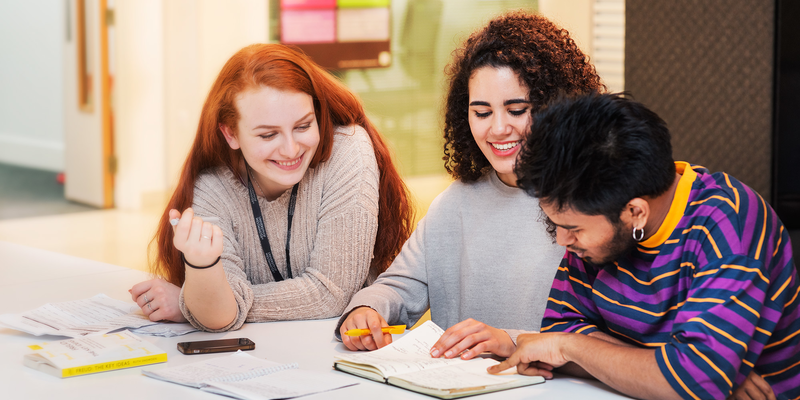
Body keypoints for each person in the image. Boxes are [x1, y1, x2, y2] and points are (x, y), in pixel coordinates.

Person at [492, 92, 800, 400]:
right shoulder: (596, 222)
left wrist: (571, 349)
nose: (562, 240)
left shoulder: (729, 224)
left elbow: (692, 383)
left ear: (636, 212)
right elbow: (561, 329)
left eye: (573, 228)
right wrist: (678, 372)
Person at [337, 11, 604, 361]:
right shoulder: (455, 202)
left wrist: (511, 341)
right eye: (482, 112)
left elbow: (609, 338)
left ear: (557, 107)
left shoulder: (592, 207)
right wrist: (366, 311)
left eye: (517, 110)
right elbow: (399, 287)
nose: (497, 129)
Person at [128, 44, 414, 331]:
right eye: (268, 134)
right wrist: (203, 272)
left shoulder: (347, 149)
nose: (291, 149)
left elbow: (332, 295)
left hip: (340, 347)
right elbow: (217, 318)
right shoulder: (213, 187)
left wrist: (192, 303)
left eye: (303, 126)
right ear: (230, 134)